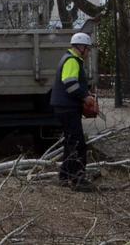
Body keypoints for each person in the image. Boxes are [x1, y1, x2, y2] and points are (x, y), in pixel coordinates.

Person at [50, 32, 95, 191]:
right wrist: (85, 97)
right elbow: (69, 83)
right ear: (81, 47)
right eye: (88, 49)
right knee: (78, 145)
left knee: (70, 144)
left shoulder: (70, 59)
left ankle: (64, 175)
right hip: (67, 108)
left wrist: (85, 94)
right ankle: (78, 180)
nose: (89, 53)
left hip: (64, 107)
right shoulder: (72, 60)